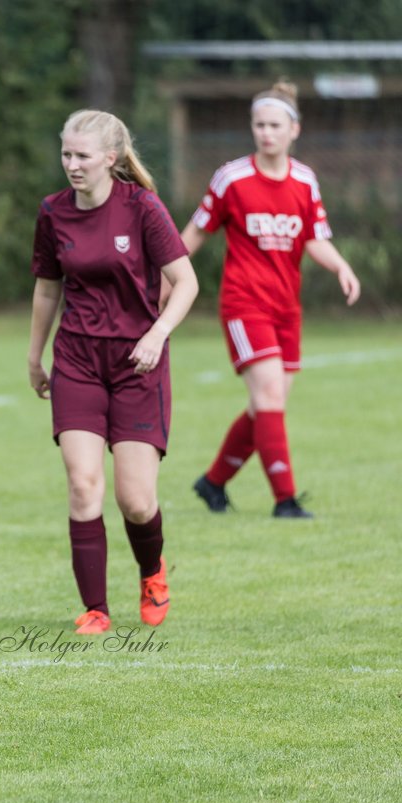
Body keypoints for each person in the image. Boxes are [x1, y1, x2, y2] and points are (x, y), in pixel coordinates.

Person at [28, 110, 200, 634]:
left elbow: (186, 282)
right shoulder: (53, 212)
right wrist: (35, 356)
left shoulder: (143, 208)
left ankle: (152, 572)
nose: (72, 165)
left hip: (136, 365)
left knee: (136, 499)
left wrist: (156, 334)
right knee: (83, 486)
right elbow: (47, 288)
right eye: (66, 154)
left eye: (82, 156)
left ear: (110, 158)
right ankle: (95, 608)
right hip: (77, 361)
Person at [182, 80, 361, 519]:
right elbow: (196, 232)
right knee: (268, 398)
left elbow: (316, 238)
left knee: (266, 404)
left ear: (294, 130)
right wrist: (162, 277)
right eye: (259, 124)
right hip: (244, 304)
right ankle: (285, 500)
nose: (266, 132)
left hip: (286, 307)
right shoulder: (232, 178)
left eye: (275, 125)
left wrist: (341, 266)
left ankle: (213, 482)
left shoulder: (304, 180)